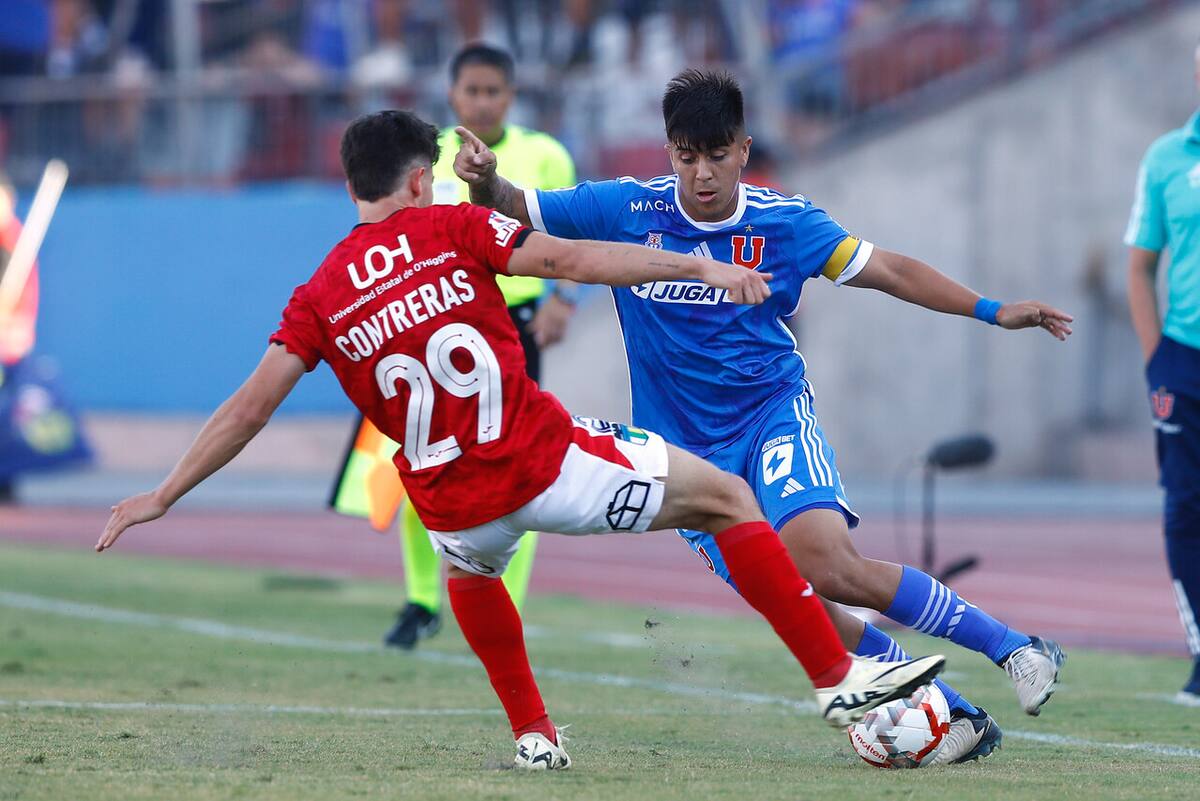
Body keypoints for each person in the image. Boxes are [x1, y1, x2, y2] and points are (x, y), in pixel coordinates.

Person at [96, 109, 946, 769]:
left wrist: (162, 493)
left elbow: (249, 408)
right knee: (727, 498)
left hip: (453, 504)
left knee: (469, 570)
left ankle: (534, 734)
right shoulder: (452, 227)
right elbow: (572, 261)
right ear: (420, 179)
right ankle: (837, 677)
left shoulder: (318, 295)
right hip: (544, 464)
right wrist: (697, 263)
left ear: (353, 185)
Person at [454, 68, 1073, 765]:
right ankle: (957, 713)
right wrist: (485, 178)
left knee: (825, 564)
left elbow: (891, 271)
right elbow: (512, 207)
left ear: (744, 150)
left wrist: (994, 310)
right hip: (683, 455)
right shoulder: (624, 208)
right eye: (687, 156)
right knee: (799, 601)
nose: (703, 174)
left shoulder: (787, 224)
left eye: (718, 155)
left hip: (768, 416)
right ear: (670, 151)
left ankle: (1015, 648)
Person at [334, 43, 580, 649]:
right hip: (438, 326)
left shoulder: (546, 155)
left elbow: (570, 236)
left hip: (513, 327)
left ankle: (507, 607)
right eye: (472, 90)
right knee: (425, 462)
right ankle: (421, 599)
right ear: (452, 95)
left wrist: (563, 299)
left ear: (510, 96)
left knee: (521, 469)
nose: (482, 101)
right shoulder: (427, 157)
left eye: (493, 91)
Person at [1126, 44, 1200, 706]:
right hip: (1183, 358)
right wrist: (1156, 360)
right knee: (1184, 506)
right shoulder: (1167, 157)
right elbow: (1140, 266)